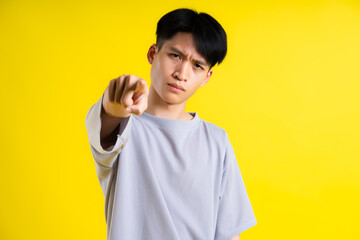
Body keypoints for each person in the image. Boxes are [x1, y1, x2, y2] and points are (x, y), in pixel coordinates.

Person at [85, 8, 257, 240]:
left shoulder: (217, 141)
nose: (182, 73)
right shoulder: (124, 128)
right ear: (152, 54)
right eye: (175, 56)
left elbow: (228, 233)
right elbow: (109, 115)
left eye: (197, 65)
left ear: (207, 77)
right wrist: (115, 100)